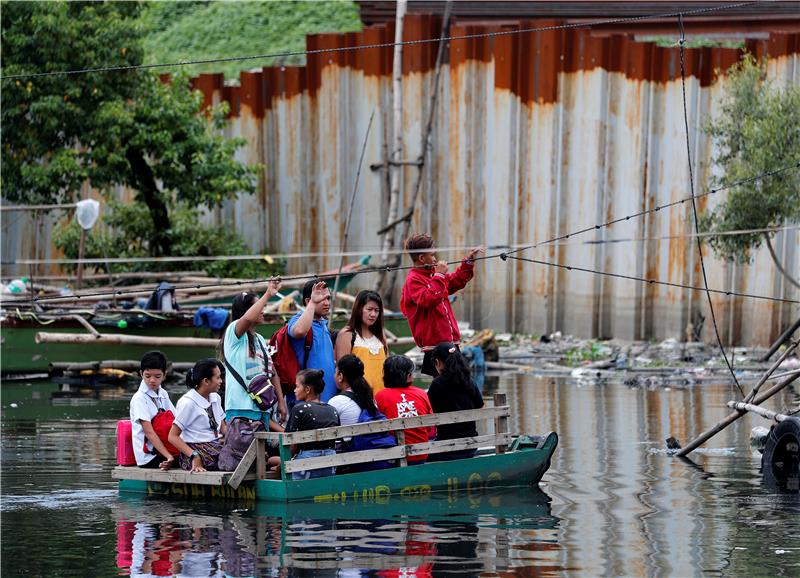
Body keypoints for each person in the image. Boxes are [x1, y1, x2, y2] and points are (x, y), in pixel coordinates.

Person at [400, 233, 485, 376]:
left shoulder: (433, 276)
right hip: (435, 346)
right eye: (432, 255)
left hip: (450, 342)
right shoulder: (413, 280)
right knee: (445, 383)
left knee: (460, 381)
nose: (435, 259)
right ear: (422, 258)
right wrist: (439, 276)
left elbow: (455, 281)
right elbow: (428, 299)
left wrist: (469, 261)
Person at [222, 280, 288, 427]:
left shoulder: (259, 339)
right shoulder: (234, 333)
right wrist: (268, 294)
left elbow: (272, 372)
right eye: (259, 307)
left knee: (261, 450)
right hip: (240, 409)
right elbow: (247, 318)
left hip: (263, 407)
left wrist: (281, 402)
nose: (263, 310)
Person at [330, 355, 397, 472]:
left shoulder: (337, 401)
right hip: (378, 455)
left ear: (340, 376)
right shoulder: (370, 399)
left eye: (336, 372)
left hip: (353, 461)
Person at [426, 342, 485, 461]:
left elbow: (427, 411)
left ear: (437, 362)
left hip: (447, 448)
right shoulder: (469, 381)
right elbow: (480, 406)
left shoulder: (437, 385)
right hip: (471, 445)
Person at [169, 359, 227, 472]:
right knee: (231, 459)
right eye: (218, 377)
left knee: (243, 451)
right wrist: (194, 455)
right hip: (195, 449)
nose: (221, 381)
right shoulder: (188, 403)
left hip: (215, 445)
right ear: (206, 381)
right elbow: (172, 436)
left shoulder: (215, 397)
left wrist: (233, 438)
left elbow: (223, 427)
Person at [375, 355, 434, 465]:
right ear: (407, 376)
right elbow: (429, 427)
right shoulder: (421, 393)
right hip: (422, 453)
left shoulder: (380, 396)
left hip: (394, 455)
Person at [285, 369, 340, 480]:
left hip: (307, 465)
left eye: (297, 386)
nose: (294, 390)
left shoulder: (299, 409)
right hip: (330, 463)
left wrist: (282, 466)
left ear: (307, 389)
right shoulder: (332, 410)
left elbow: (291, 446)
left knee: (272, 461)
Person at [288, 280, 337, 402]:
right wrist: (313, 302)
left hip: (327, 401)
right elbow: (298, 331)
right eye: (321, 299)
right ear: (308, 301)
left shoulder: (323, 324)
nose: (327, 303)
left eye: (328, 298)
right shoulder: (298, 320)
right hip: (306, 404)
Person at [129, 351, 177, 470]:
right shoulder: (139, 398)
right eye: (148, 376)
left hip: (164, 449)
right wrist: (169, 456)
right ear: (141, 373)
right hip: (148, 457)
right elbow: (149, 432)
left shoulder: (163, 394)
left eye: (157, 376)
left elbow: (177, 420)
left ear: (164, 375)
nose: (152, 380)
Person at [334, 290, 389, 393]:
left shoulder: (380, 335)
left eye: (376, 310)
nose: (373, 314)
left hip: (382, 397)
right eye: (369, 309)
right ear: (359, 309)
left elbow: (388, 367)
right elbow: (342, 372)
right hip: (358, 398)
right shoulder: (347, 334)